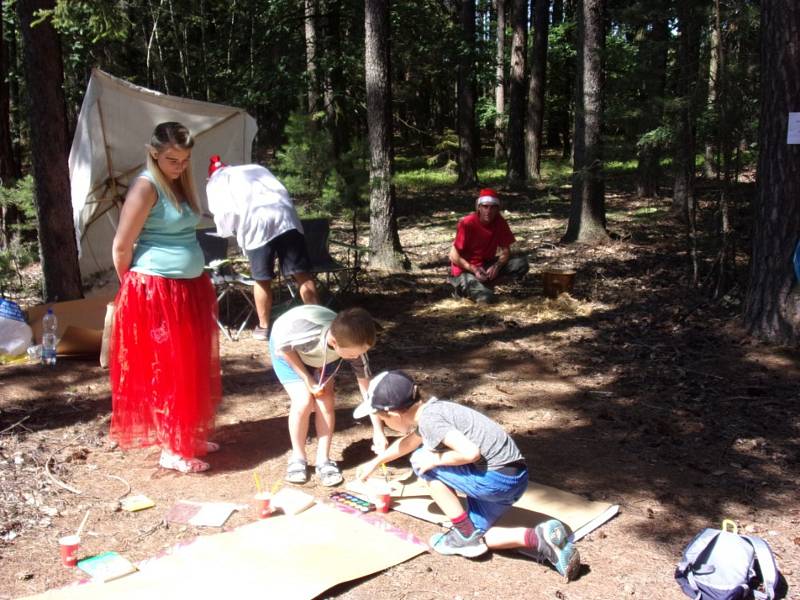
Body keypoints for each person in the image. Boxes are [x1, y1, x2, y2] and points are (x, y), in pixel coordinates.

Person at [354, 371, 580, 581]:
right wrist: (375, 462)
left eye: (383, 420)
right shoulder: (433, 411)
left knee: (421, 459)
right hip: (515, 478)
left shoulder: (431, 421)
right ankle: (539, 538)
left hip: (497, 480)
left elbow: (470, 453)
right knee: (479, 537)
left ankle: (463, 533)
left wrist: (434, 460)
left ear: (393, 413)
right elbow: (407, 443)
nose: (385, 424)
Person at [110, 121, 222, 474]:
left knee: (190, 360)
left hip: (188, 287)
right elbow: (121, 246)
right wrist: (132, 287)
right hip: (155, 289)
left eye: (185, 159)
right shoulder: (145, 187)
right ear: (154, 154)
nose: (180, 166)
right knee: (168, 367)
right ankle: (172, 448)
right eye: (173, 160)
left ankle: (186, 432)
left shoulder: (179, 183)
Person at [270, 304, 387, 486]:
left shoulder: (355, 348)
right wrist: (308, 379)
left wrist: (378, 431)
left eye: (361, 353)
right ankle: (298, 457)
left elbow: (367, 391)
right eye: (351, 355)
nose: (357, 357)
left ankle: (323, 459)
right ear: (334, 343)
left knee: (326, 402)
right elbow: (285, 349)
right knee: (303, 401)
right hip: (287, 350)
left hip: (321, 356)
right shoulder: (306, 334)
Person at [206, 157, 319, 340]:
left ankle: (264, 326)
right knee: (302, 274)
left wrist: (229, 231)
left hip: (256, 224)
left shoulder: (217, 181)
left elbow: (225, 214)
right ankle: (317, 321)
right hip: (285, 218)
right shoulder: (254, 169)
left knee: (262, 278)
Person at [447, 188, 529, 303]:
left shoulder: (500, 222)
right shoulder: (467, 223)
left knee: (521, 263)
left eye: (493, 207)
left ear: (497, 209)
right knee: (488, 299)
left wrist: (497, 266)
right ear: (479, 207)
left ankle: (483, 285)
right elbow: (453, 256)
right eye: (485, 206)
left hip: (485, 267)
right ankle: (464, 288)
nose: (488, 211)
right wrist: (474, 269)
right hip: (465, 271)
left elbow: (506, 252)